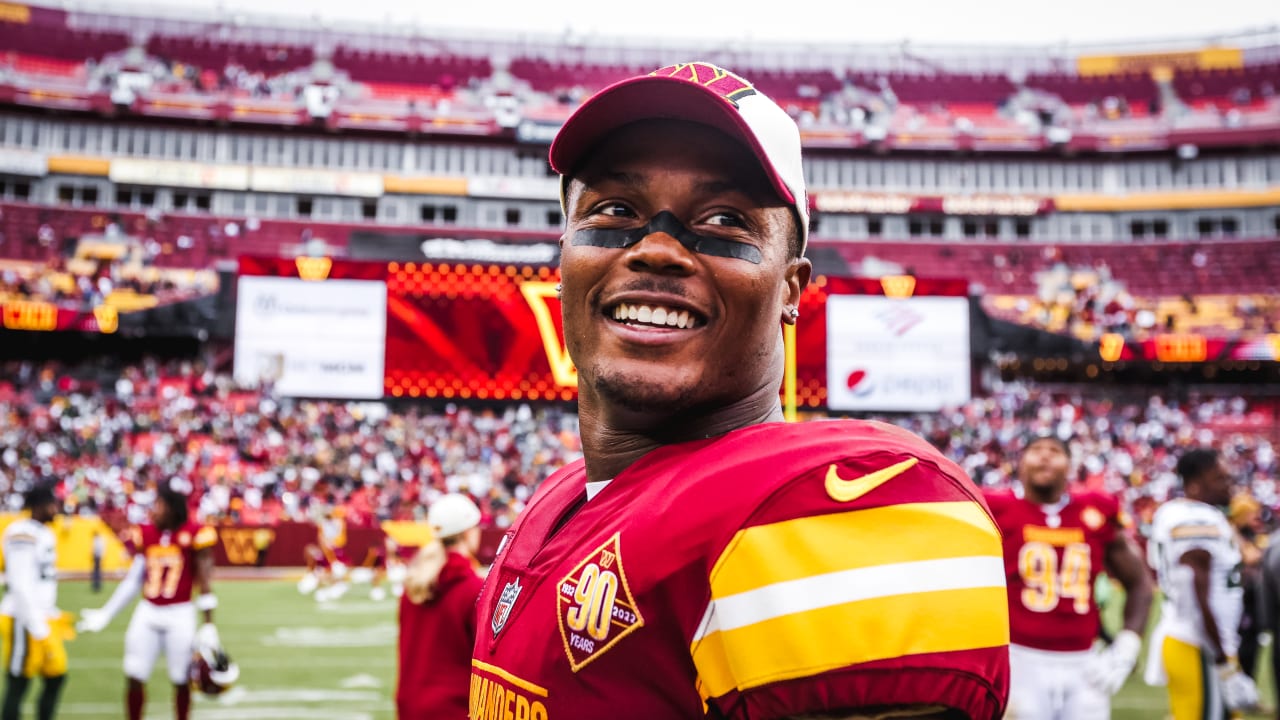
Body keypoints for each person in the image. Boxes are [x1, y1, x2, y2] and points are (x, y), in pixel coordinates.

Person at [466, 62, 1009, 720]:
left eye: (724, 220)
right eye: (613, 210)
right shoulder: (558, 500)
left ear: (789, 288)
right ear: (563, 259)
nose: (657, 249)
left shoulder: (826, 507)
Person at [984, 432, 1153, 719]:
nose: (1045, 455)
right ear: (1020, 463)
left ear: (1070, 465)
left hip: (1083, 661)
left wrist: (1127, 645)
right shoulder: (996, 507)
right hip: (1019, 657)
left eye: (1054, 450)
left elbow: (1139, 583)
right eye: (1036, 449)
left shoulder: (1094, 511)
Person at [77, 479, 224, 720]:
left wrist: (209, 624)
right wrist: (106, 612)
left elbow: (206, 581)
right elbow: (134, 580)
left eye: (159, 504)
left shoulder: (194, 532)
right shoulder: (146, 533)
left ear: (172, 507)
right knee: (134, 673)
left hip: (180, 612)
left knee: (180, 678)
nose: (153, 509)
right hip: (149, 610)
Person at [1145, 448, 1259, 718]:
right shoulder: (1196, 518)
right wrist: (1223, 663)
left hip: (1198, 642)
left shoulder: (1176, 512)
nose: (1228, 483)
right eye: (1219, 478)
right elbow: (1192, 593)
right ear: (1195, 484)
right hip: (1199, 645)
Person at [397, 493, 485, 719]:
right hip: (454, 709)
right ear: (467, 532)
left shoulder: (415, 585)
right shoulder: (473, 589)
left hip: (410, 706)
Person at [0, 484, 69, 720]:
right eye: (52, 504)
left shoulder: (43, 531)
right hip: (23, 618)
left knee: (56, 675)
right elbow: (19, 581)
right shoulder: (22, 531)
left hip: (43, 616)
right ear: (39, 506)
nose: (55, 509)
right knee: (19, 681)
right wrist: (35, 622)